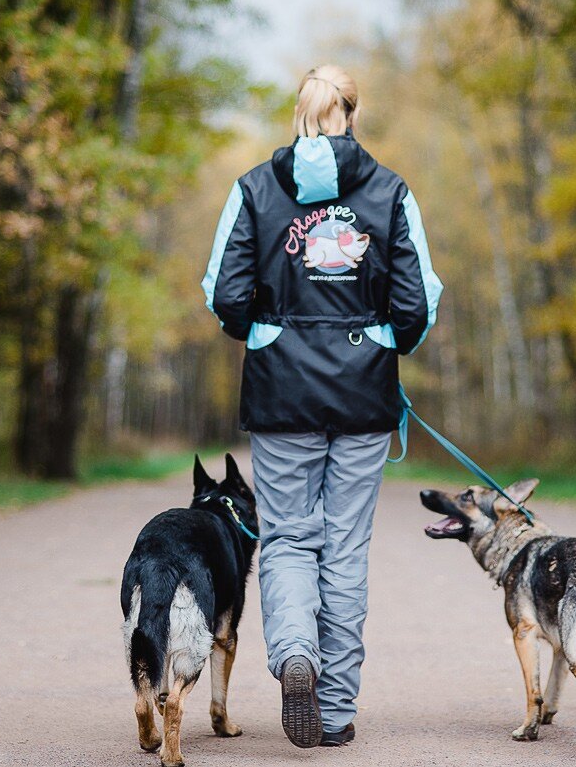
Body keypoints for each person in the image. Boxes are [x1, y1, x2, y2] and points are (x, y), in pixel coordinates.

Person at [201, 64, 443, 748]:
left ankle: (293, 654)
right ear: (352, 117)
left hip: (281, 398)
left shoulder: (253, 190)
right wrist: (374, 344)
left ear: (299, 116)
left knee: (286, 538)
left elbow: (225, 293)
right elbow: (416, 303)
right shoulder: (391, 192)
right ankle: (333, 710)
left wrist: (270, 334)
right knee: (345, 549)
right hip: (364, 400)